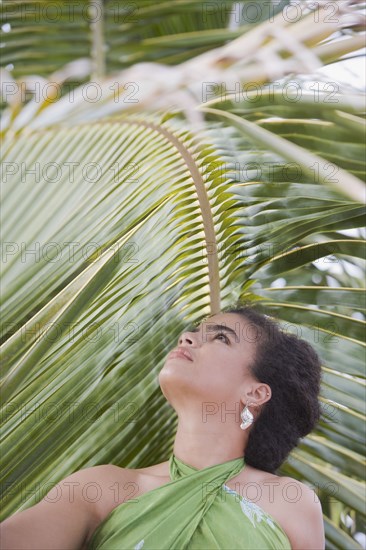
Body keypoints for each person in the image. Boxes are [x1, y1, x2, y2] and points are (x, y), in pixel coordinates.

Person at [0, 305, 325, 549]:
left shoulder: (290, 501)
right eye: (195, 331)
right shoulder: (103, 487)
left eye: (221, 338)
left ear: (256, 393)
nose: (187, 337)